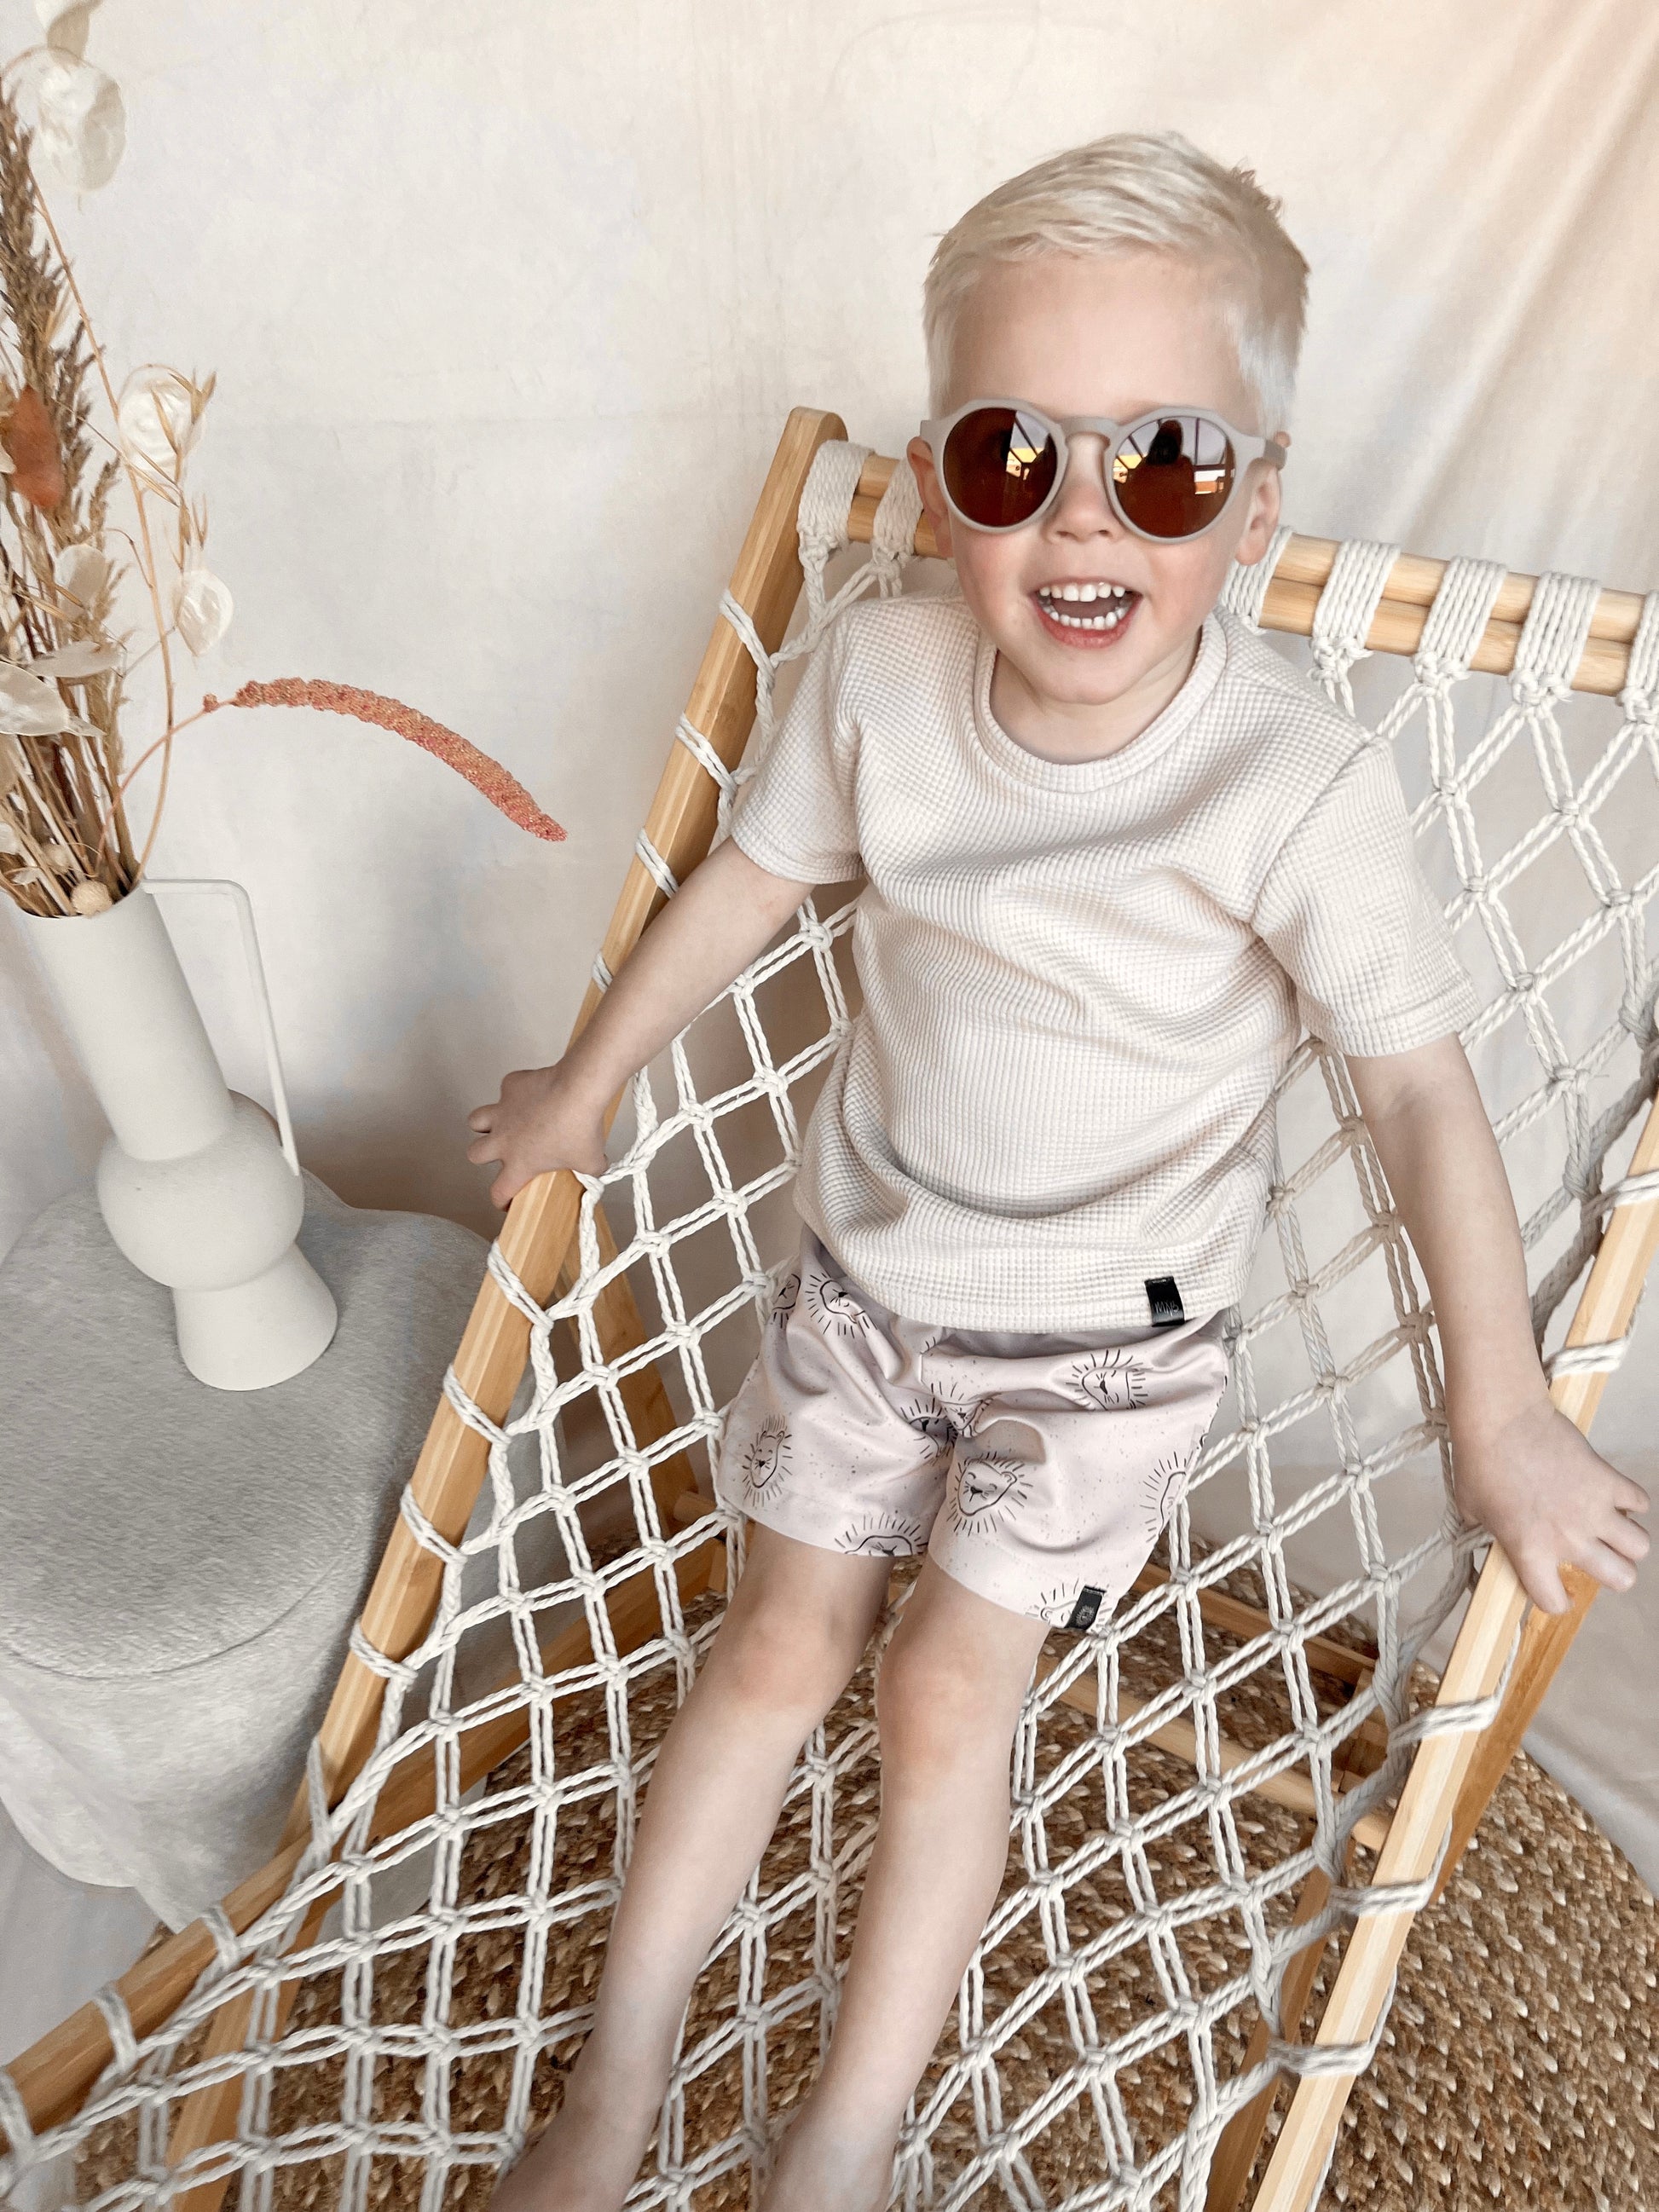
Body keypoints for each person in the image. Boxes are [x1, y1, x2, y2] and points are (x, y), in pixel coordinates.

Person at [468, 130, 1650, 2212]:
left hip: (1105, 1353)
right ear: (943, 485)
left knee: (943, 1685)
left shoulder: (1287, 781)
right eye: (1014, 455)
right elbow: (746, 883)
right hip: (863, 1290)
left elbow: (1417, 1099)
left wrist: (1494, 1414)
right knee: (772, 1648)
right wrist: (585, 1083)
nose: (1083, 517)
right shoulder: (879, 674)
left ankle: (842, 2142)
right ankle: (611, 2085)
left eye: (1165, 465)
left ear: (1256, 502)